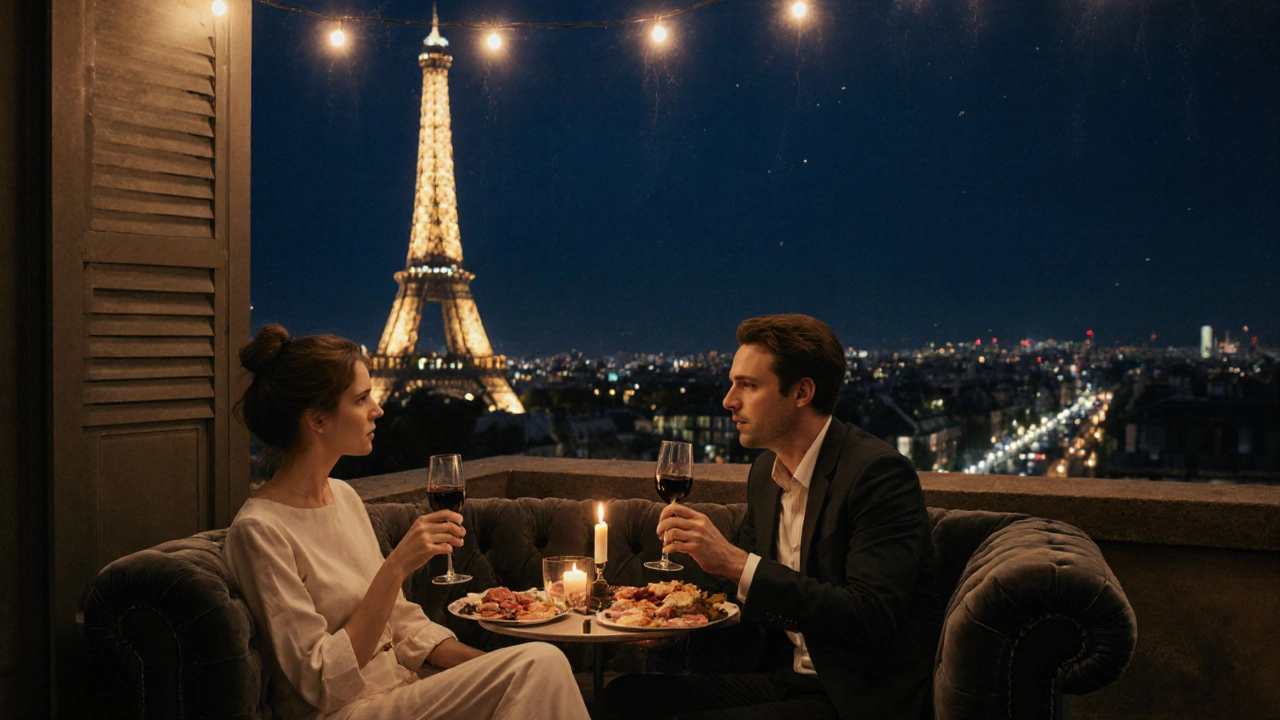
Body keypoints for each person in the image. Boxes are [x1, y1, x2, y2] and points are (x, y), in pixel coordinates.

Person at [224, 324, 590, 720]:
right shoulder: (260, 531)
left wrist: (489, 664)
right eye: (361, 399)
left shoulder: (343, 497)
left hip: (403, 691)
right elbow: (321, 682)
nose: (377, 410)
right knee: (541, 663)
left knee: (536, 665)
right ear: (317, 420)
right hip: (347, 711)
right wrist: (395, 567)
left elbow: (402, 625)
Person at [603, 314, 939, 720]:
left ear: (801, 392)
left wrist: (736, 562)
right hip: (786, 678)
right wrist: (670, 626)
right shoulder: (766, 473)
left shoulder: (876, 474)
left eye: (748, 385)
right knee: (624, 697)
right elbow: (740, 597)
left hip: (853, 697)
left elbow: (870, 616)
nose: (729, 400)